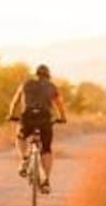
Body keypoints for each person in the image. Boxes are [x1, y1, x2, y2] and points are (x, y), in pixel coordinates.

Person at [7, 64, 67, 194]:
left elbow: (15, 101)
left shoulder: (26, 84)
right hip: (44, 118)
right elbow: (59, 105)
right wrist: (63, 118)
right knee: (46, 149)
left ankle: (24, 159)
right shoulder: (52, 87)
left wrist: (11, 115)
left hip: (28, 116)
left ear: (36, 74)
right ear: (48, 76)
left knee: (20, 136)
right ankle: (45, 181)